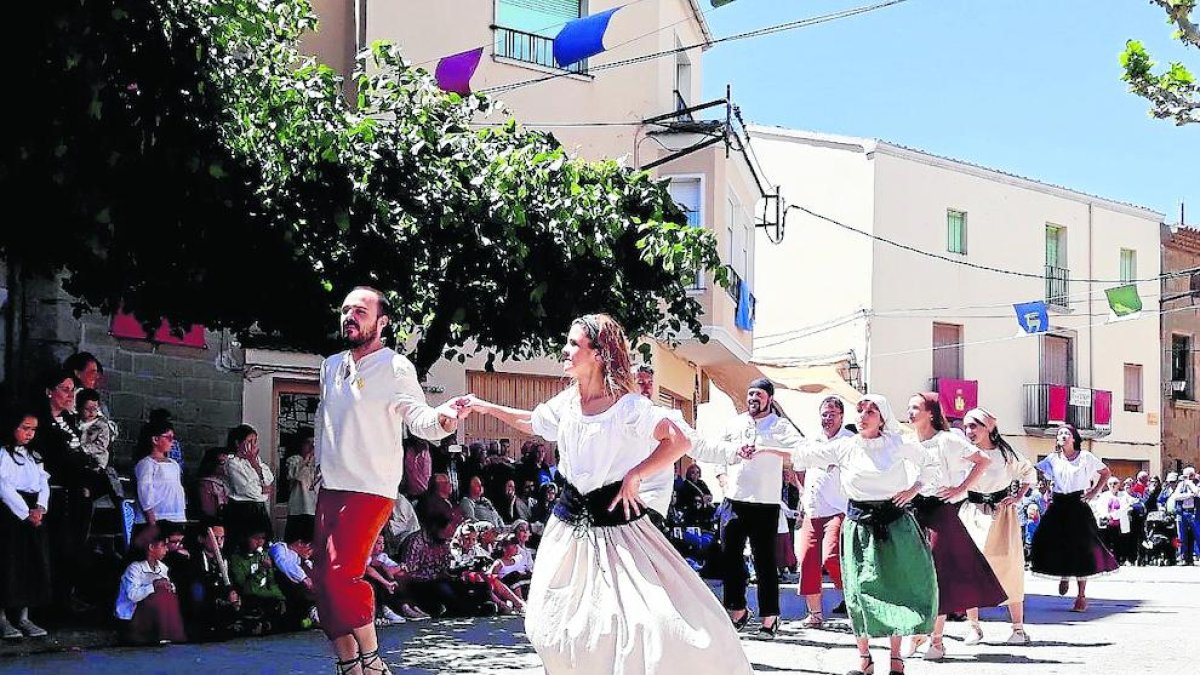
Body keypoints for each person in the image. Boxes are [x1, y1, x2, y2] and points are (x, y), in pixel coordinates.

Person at [463, 313, 754, 675]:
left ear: (599, 354)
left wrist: (636, 474)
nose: (565, 350)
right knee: (550, 624)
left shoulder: (627, 407)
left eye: (574, 344)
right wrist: (483, 406)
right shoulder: (568, 403)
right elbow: (531, 422)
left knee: (646, 625)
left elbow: (678, 440)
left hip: (618, 531)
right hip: (567, 530)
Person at [313, 286, 464, 675]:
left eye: (360, 311)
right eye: (346, 310)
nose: (350, 316)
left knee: (343, 577)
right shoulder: (330, 366)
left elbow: (421, 418)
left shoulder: (396, 367)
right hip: (330, 488)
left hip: (370, 488)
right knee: (323, 585)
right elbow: (327, 420)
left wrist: (443, 419)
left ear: (382, 322)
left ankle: (374, 660)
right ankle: (350, 666)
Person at [757, 395, 937, 675]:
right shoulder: (845, 447)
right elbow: (801, 456)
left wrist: (914, 489)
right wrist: (762, 448)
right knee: (858, 592)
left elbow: (931, 465)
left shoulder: (898, 444)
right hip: (859, 525)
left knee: (896, 589)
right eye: (860, 410)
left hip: (894, 523)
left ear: (882, 418)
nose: (863, 415)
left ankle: (895, 659)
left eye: (871, 411)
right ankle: (864, 659)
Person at [904, 394, 1006, 661]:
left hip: (939, 511)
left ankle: (936, 641)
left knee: (939, 576)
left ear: (930, 413)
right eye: (909, 407)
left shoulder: (947, 439)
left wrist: (961, 488)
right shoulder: (907, 442)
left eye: (916, 407)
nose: (910, 411)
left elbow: (982, 460)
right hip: (912, 512)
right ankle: (918, 631)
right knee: (913, 577)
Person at [709, 378, 803, 638]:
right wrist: (722, 479)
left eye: (759, 394)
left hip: (765, 503)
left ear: (769, 399)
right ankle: (737, 610)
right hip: (734, 500)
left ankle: (769, 619)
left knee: (764, 562)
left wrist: (767, 449)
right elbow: (719, 452)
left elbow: (798, 452)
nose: (753, 398)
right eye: (750, 393)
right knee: (729, 556)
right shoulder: (735, 423)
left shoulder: (780, 426)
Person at [957, 408, 1036, 646]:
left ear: (989, 427)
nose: (969, 431)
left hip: (1002, 515)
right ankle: (973, 627)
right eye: (967, 426)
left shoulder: (1005, 453)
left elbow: (1029, 472)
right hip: (972, 511)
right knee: (970, 567)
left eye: (975, 426)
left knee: (1009, 567)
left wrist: (1019, 496)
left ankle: (1018, 629)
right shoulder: (963, 452)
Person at [1029, 424, 1117, 611]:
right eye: (1059, 433)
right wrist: (1045, 486)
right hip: (1059, 504)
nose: (1062, 436)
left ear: (1074, 438)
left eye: (1066, 433)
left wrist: (1094, 491)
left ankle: (1081, 595)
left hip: (1078, 504)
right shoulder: (1052, 459)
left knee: (1082, 548)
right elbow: (1035, 470)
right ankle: (1064, 575)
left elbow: (1106, 472)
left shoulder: (1085, 457)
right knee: (1048, 541)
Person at [795, 396, 852, 629]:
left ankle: (852, 601)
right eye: (824, 414)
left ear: (841, 417)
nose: (827, 418)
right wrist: (802, 493)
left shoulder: (850, 441)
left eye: (832, 414)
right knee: (808, 560)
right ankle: (815, 614)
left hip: (838, 509)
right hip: (813, 509)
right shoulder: (810, 440)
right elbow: (798, 469)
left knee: (831, 556)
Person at [0, 410, 52, 639]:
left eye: (33, 429)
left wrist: (41, 507)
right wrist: (25, 512)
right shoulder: (3, 454)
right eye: (25, 428)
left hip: (34, 512)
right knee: (8, 565)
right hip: (11, 513)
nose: (29, 434)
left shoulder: (35, 456)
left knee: (32, 563)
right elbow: (4, 486)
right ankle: (2, 619)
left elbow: (43, 482)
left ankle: (23, 616)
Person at [115, 526, 187, 645]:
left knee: (167, 594)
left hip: (151, 614)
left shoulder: (162, 567)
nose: (166, 550)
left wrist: (169, 586)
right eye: (163, 546)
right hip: (132, 615)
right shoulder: (135, 568)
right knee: (159, 593)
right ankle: (160, 633)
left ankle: (169, 633)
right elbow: (132, 595)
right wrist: (153, 586)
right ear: (151, 547)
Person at [132, 419, 187, 537]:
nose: (172, 441)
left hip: (176, 516)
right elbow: (144, 492)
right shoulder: (146, 463)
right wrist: (152, 522)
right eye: (168, 437)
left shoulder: (174, 463)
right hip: (157, 518)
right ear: (155, 439)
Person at [224, 424, 274, 546]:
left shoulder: (256, 460)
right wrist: (262, 490)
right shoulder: (232, 463)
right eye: (249, 441)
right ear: (238, 443)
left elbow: (269, 478)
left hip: (259, 508)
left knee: (263, 543)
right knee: (245, 543)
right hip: (242, 508)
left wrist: (254, 464)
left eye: (255, 442)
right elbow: (247, 490)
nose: (253, 445)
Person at [284, 427, 319, 543]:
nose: (311, 447)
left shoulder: (318, 462)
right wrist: (307, 459)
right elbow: (296, 475)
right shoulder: (294, 460)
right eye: (308, 443)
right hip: (298, 509)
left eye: (313, 443)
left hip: (314, 509)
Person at [1172, 466, 1199, 565]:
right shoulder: (1180, 485)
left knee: (1196, 535)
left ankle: (1193, 557)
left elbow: (1196, 492)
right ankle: (1183, 557)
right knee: (1181, 536)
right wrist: (1188, 495)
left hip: (1193, 513)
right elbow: (1175, 496)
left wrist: (1190, 484)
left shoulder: (1196, 484)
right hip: (1182, 512)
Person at [195, 447, 231, 522]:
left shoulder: (228, 481)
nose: (225, 467)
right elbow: (208, 510)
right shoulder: (205, 484)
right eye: (222, 463)